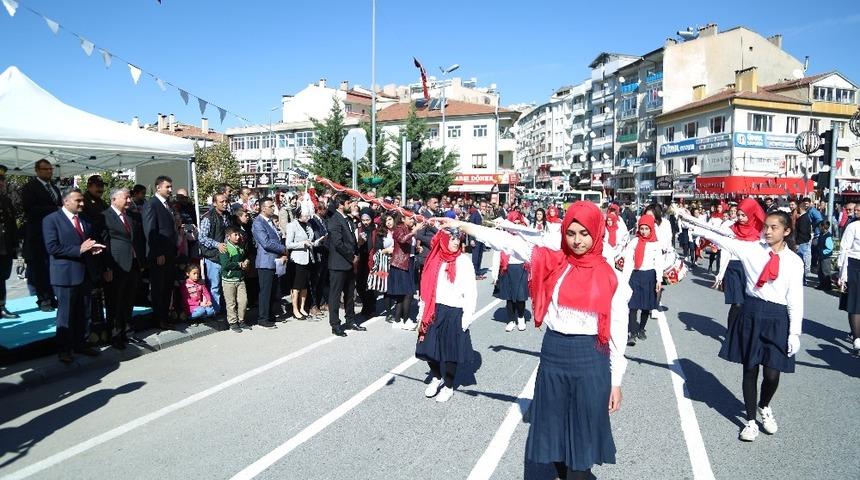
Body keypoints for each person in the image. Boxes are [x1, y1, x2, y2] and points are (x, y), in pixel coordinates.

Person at [438, 202, 630, 479]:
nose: (577, 241)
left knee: (583, 433)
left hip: (591, 358)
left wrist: (616, 381)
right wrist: (463, 225)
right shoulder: (556, 261)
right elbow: (509, 243)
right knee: (553, 425)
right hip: (554, 354)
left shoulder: (611, 276)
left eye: (584, 234)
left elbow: (618, 331)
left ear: (597, 233)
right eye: (571, 233)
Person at [682, 210, 803, 442]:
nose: (768, 231)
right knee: (750, 368)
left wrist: (794, 333)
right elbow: (723, 240)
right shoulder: (752, 249)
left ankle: (764, 406)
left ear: (786, 231)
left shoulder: (794, 262)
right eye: (766, 226)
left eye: (774, 227)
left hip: (778, 317)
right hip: (752, 312)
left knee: (772, 373)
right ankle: (750, 421)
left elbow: (796, 298)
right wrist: (695, 226)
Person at [416, 228, 478, 403]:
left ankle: (449, 386)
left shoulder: (464, 261)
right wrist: (422, 310)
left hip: (454, 311)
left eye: (458, 238)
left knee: (450, 353)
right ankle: (437, 377)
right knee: (428, 348)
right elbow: (425, 288)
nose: (456, 242)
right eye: (452, 239)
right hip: (433, 309)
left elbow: (471, 291)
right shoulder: (434, 259)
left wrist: (467, 316)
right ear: (443, 239)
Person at [43, 189, 104, 363]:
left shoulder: (84, 220)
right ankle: (64, 349)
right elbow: (52, 247)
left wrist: (92, 249)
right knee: (66, 315)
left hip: (85, 273)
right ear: (66, 201)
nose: (82, 203)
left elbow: (86, 243)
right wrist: (79, 250)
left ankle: (81, 344)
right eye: (78, 200)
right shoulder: (51, 220)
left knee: (84, 312)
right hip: (65, 275)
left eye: (82, 200)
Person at [712, 198, 766, 336]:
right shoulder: (730, 228)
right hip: (733, 268)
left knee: (748, 303)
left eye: (744, 215)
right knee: (737, 303)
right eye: (738, 215)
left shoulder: (761, 231)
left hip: (751, 269)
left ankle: (744, 332)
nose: (740, 218)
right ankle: (731, 333)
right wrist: (720, 274)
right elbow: (725, 252)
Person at [101, 188, 145, 349]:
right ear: (114, 199)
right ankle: (115, 334)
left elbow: (137, 239)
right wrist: (107, 267)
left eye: (129, 198)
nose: (129, 200)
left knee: (129, 299)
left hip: (133, 263)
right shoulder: (105, 217)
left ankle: (127, 331)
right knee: (115, 301)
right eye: (126, 198)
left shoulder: (131, 216)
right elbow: (105, 243)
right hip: (116, 265)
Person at [21, 159, 62, 312]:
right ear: (37, 170)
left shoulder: (54, 188)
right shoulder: (30, 187)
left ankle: (52, 296)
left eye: (51, 169)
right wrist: (54, 209)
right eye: (46, 169)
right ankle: (43, 298)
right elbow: (30, 209)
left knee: (51, 267)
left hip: (53, 233)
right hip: (37, 235)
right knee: (40, 268)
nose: (49, 171)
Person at [326, 193, 365, 336]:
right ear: (341, 205)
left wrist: (356, 252)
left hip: (349, 263)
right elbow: (337, 243)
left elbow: (351, 241)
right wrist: (351, 256)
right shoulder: (334, 220)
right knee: (335, 295)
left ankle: (350, 320)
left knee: (350, 295)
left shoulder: (347, 219)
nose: (352, 205)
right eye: (349, 203)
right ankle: (335, 324)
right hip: (338, 264)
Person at [142, 176, 178, 330]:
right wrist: (158, 253)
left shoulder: (167, 205)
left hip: (169, 253)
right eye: (167, 187)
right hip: (160, 255)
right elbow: (150, 231)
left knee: (167, 287)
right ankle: (159, 319)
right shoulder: (152, 204)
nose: (170, 190)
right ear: (158, 187)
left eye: (171, 187)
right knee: (159, 288)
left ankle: (165, 316)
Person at [621, 215, 664, 345]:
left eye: (646, 228)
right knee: (633, 305)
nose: (644, 231)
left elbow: (659, 263)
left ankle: (641, 329)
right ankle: (632, 333)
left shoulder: (656, 244)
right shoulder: (634, 242)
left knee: (646, 306)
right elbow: (628, 261)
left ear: (651, 229)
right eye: (642, 228)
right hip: (636, 275)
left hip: (649, 276)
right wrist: (624, 279)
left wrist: (659, 280)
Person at [285, 203, 324, 320]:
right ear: (299, 215)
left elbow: (310, 241)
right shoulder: (292, 225)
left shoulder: (308, 225)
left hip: (309, 258)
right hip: (297, 259)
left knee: (305, 285)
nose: (308, 217)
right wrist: (302, 243)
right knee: (296, 285)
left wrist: (317, 242)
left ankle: (302, 307)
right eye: (306, 215)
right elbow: (288, 244)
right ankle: (295, 309)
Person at [251, 197, 285, 329]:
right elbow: (266, 243)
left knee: (273, 290)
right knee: (265, 291)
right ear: (263, 208)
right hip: (265, 262)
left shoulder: (270, 221)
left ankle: (270, 314)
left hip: (275, 260)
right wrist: (283, 249)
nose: (273, 208)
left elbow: (276, 238)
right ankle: (263, 318)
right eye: (271, 206)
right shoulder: (258, 223)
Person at [389, 214, 423, 330]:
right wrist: (414, 231)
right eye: (410, 218)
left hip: (409, 262)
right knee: (407, 293)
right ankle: (405, 320)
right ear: (403, 219)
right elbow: (402, 240)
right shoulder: (399, 229)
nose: (412, 220)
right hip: (400, 264)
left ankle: (398, 320)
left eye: (413, 218)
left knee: (403, 294)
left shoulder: (407, 229)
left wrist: (417, 248)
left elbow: (410, 246)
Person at [199, 193, 230, 314]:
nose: (225, 204)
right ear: (214, 203)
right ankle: (215, 311)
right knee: (215, 286)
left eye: (226, 201)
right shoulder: (208, 217)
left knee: (225, 285)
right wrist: (217, 244)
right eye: (222, 202)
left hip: (225, 255)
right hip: (212, 256)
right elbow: (202, 238)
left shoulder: (227, 216)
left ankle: (225, 309)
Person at [837, 204, 860, 354]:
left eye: (859, 210)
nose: (856, 212)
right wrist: (842, 272)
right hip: (854, 264)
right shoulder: (853, 226)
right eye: (855, 210)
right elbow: (844, 248)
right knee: (855, 302)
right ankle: (857, 338)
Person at [219, 226, 249, 332]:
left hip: (240, 279)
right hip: (229, 280)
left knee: (243, 301)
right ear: (228, 236)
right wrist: (239, 264)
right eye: (235, 235)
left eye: (238, 234)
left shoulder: (241, 247)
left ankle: (241, 320)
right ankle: (233, 322)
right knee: (231, 303)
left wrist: (246, 261)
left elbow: (245, 256)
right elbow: (225, 265)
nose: (238, 237)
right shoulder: (225, 248)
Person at [0, 165, 20, 319]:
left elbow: (11, 224)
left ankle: (1, 306)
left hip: (4, 246)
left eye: (2, 179)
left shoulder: (5, 200)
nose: (1, 183)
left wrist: (15, 244)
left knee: (1, 277)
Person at [815, 221, 834, 291]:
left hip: (825, 257)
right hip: (820, 256)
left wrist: (822, 252)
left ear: (823, 227)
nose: (819, 228)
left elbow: (830, 248)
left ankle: (828, 286)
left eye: (820, 226)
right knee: (819, 271)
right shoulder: (821, 234)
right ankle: (822, 284)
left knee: (826, 271)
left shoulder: (828, 236)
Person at [468, 202, 485, 279]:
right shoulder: (475, 214)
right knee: (475, 257)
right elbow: (471, 227)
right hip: (475, 239)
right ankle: (474, 273)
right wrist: (471, 239)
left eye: (485, 206)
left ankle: (478, 272)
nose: (484, 208)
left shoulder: (483, 215)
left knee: (480, 256)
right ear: (479, 206)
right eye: (482, 206)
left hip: (481, 239)